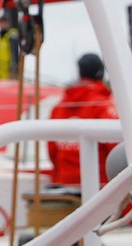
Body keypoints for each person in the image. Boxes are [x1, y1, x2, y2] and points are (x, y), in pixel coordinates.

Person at [46, 53, 117, 188]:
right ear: (101, 74)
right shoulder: (104, 106)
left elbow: (52, 151)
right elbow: (115, 150)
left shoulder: (59, 107)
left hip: (65, 186)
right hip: (100, 187)